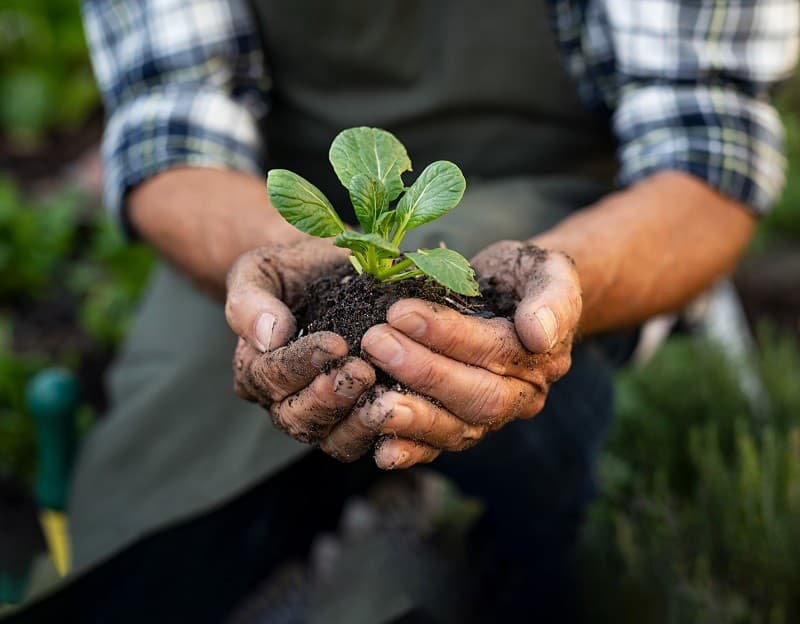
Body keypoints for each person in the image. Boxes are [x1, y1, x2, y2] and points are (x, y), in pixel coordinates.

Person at [60, 0, 796, 621]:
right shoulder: (289, 249)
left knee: (565, 498)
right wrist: (286, 262)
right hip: (269, 226)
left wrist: (561, 285)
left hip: (585, 220)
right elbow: (169, 126)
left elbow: (705, 148)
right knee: (145, 532)